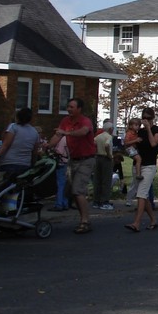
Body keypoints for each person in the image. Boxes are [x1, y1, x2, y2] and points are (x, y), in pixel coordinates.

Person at [47, 98, 96, 234]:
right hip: (73, 160)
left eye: (72, 107)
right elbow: (57, 136)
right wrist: (47, 145)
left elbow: (84, 132)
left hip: (86, 160)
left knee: (78, 190)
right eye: (68, 106)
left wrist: (67, 133)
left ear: (79, 109)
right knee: (73, 193)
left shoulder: (85, 121)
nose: (69, 109)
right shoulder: (65, 121)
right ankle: (83, 219)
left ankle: (85, 222)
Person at [124, 107, 158, 232]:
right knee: (142, 195)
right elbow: (127, 143)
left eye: (149, 118)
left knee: (142, 194)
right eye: (144, 118)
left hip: (149, 166)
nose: (146, 120)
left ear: (153, 118)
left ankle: (136, 223)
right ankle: (153, 220)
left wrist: (148, 129)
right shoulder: (139, 132)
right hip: (138, 164)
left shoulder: (157, 130)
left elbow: (153, 144)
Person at [0, 107, 40, 179]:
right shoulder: (35, 132)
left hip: (8, 163)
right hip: (25, 165)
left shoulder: (14, 128)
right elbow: (34, 152)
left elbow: (5, 145)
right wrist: (33, 165)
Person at [91, 119, 115, 211]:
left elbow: (93, 143)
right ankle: (104, 201)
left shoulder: (98, 136)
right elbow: (107, 145)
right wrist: (109, 154)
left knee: (97, 180)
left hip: (98, 157)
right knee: (106, 180)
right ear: (110, 129)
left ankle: (96, 201)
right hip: (106, 158)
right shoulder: (109, 137)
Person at [123, 117, 142, 207]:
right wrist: (136, 140)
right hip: (129, 148)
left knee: (138, 159)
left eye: (139, 125)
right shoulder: (129, 133)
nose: (137, 127)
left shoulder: (136, 133)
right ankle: (138, 174)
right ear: (131, 126)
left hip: (134, 148)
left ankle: (131, 199)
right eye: (136, 125)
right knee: (138, 159)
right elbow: (126, 142)